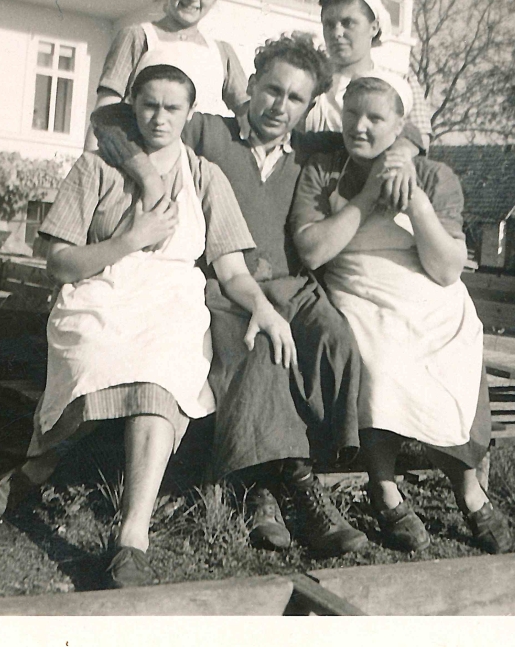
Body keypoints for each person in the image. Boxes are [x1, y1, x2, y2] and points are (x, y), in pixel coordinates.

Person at [91, 34, 421, 558]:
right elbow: (109, 120)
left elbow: (398, 130)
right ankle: (291, 485)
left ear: (310, 107)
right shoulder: (207, 131)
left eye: (295, 99)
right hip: (222, 285)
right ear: (250, 86)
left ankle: (295, 476)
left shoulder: (313, 152)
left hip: (293, 286)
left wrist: (404, 151)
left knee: (337, 342)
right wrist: (146, 177)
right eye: (271, 90)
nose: (279, 106)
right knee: (262, 347)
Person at [0, 56, 294, 589]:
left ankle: (132, 538)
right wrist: (129, 239)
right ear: (133, 107)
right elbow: (58, 261)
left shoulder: (203, 175)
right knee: (97, 355)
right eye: (148, 105)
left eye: (172, 108)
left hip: (171, 300)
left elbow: (232, 270)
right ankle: (35, 470)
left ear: (190, 114)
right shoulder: (96, 168)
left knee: (160, 372)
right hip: (97, 291)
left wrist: (262, 307)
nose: (159, 118)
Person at [290, 72, 510, 555]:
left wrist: (416, 201)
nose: (360, 126)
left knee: (453, 347)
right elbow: (312, 252)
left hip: (428, 288)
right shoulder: (325, 169)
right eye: (352, 114)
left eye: (375, 118)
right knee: (383, 360)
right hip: (360, 286)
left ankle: (469, 490)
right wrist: (369, 197)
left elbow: (448, 270)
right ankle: (384, 488)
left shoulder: (434, 174)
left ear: (399, 127)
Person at [86, 0, 247, 152]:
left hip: (202, 164)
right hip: (144, 158)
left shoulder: (222, 52)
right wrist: (90, 161)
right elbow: (105, 110)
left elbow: (248, 112)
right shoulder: (139, 36)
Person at [305, 0, 433, 152]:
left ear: (374, 28)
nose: (336, 33)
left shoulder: (402, 82)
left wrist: (403, 149)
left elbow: (421, 140)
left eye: (348, 23)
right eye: (329, 24)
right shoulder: (310, 80)